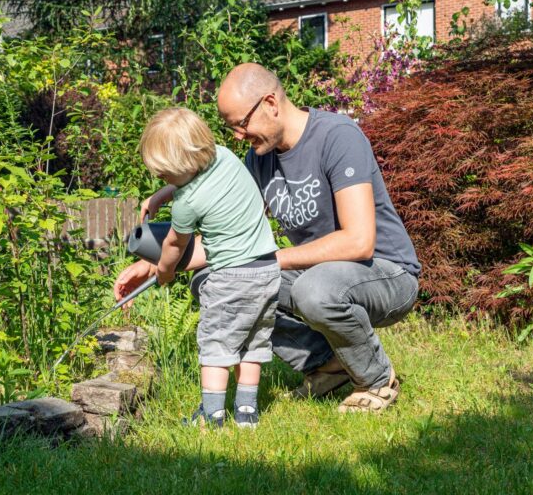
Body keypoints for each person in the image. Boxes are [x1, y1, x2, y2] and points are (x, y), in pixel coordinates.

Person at [115, 63, 420, 413]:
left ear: (271, 103)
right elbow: (227, 246)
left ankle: (376, 380)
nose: (238, 136)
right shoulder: (259, 160)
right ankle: (325, 364)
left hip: (386, 272)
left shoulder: (337, 136)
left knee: (312, 290)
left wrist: (271, 260)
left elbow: (358, 242)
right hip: (318, 272)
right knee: (215, 282)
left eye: (240, 124)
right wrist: (154, 265)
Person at [138, 107, 280, 428]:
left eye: (165, 176)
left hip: (230, 277)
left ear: (184, 167)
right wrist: (161, 195)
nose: (163, 180)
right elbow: (192, 178)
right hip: (268, 269)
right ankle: (247, 412)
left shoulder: (187, 203)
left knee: (216, 345)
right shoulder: (225, 156)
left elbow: (176, 245)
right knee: (253, 344)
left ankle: (212, 416)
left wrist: (164, 270)